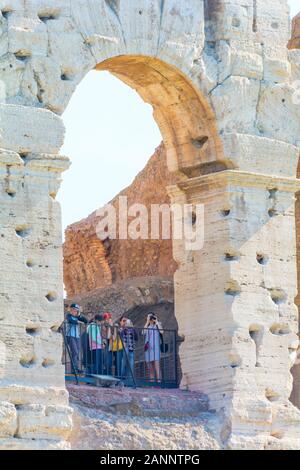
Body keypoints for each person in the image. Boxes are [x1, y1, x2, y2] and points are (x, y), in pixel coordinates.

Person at [65, 303, 88, 373]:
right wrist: (78, 322)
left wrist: (79, 315)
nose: (74, 312)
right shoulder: (68, 315)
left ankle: (76, 368)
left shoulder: (77, 316)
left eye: (76, 311)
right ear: (71, 310)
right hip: (70, 335)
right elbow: (71, 321)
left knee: (77, 352)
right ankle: (74, 369)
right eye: (73, 310)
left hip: (76, 336)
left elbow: (86, 321)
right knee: (74, 351)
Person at [143, 313, 163, 383]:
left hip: (156, 348)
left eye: (152, 316)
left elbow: (162, 331)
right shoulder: (147, 327)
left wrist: (156, 322)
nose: (151, 318)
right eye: (149, 317)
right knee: (150, 369)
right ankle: (152, 384)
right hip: (149, 349)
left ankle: (159, 383)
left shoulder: (158, 325)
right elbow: (143, 332)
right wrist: (147, 321)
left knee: (157, 367)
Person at [120, 317, 138, 386]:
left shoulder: (132, 330)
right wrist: (125, 328)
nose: (127, 324)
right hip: (125, 349)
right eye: (126, 322)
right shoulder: (123, 330)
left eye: (129, 322)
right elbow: (121, 335)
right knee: (123, 365)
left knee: (131, 365)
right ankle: (121, 380)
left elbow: (136, 338)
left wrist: (133, 328)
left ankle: (129, 381)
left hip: (131, 349)